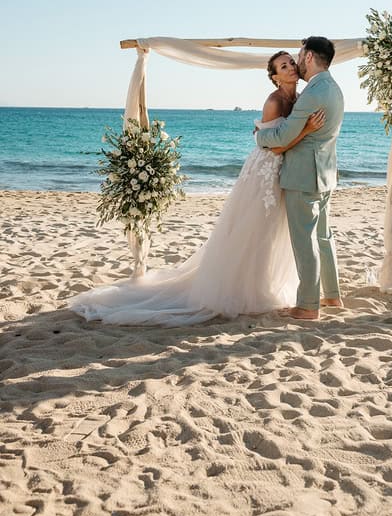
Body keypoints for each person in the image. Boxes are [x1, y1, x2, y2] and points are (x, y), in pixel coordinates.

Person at [69, 52, 324, 326]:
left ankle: (265, 284)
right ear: (275, 77)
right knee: (254, 228)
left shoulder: (299, 98)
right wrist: (306, 130)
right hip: (266, 169)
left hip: (282, 169)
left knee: (274, 229)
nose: (290, 68)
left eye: (290, 63)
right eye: (283, 66)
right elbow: (272, 145)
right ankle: (243, 291)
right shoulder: (274, 102)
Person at [255, 36, 344, 321]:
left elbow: (282, 136)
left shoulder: (312, 93)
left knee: (306, 241)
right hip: (326, 175)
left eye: (297, 56)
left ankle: (307, 306)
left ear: (308, 57)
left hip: (305, 177)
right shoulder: (333, 88)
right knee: (323, 237)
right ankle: (332, 296)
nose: (295, 62)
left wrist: (260, 135)